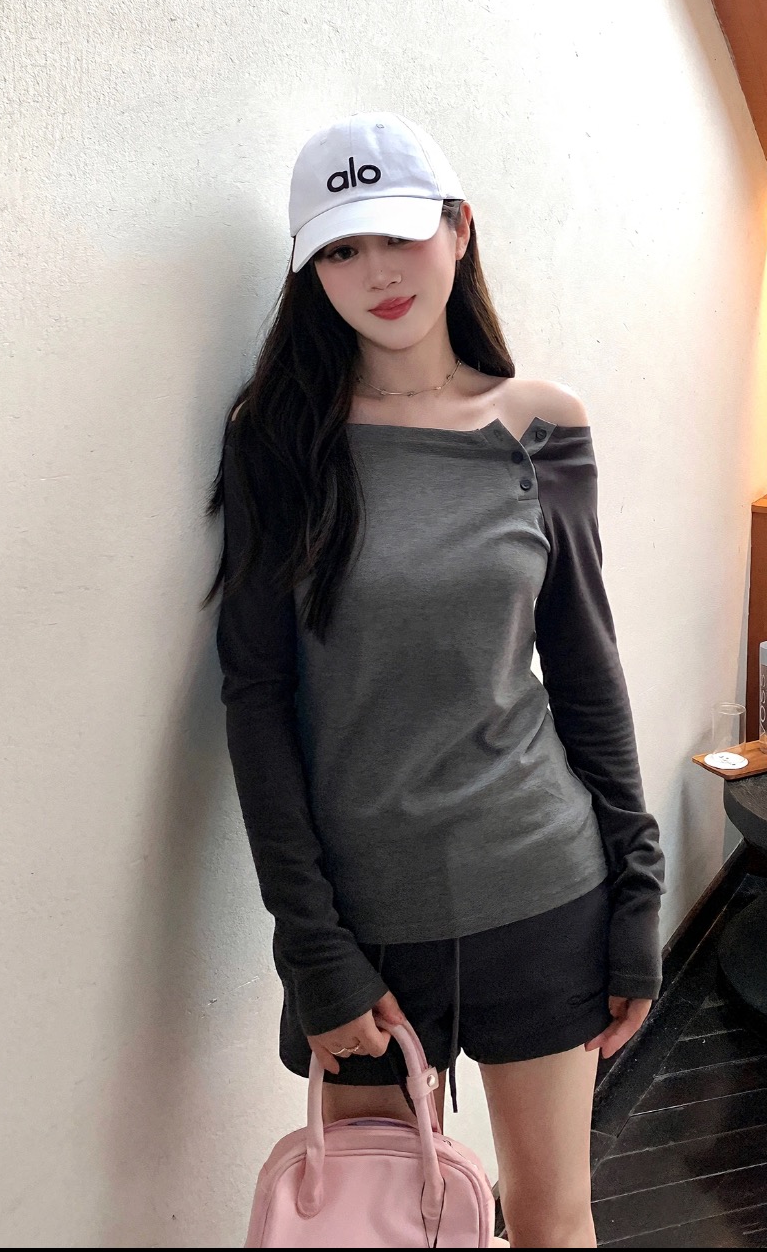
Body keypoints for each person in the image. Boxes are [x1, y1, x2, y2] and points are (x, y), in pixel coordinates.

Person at [208, 111, 664, 1248]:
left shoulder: (540, 428)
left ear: (459, 230)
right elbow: (255, 701)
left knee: (552, 1223)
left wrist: (638, 894)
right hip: (362, 925)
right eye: (341, 250)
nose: (377, 274)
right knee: (373, 1227)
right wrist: (311, 943)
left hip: (542, 890)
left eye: (400, 237)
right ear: (310, 272)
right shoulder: (277, 441)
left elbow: (588, 673)